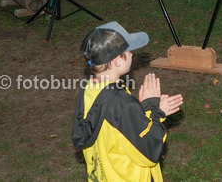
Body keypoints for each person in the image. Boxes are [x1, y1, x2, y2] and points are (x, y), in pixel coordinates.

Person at [72, 21, 183, 182]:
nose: (132, 55)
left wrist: (140, 111)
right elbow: (148, 151)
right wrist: (156, 111)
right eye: (129, 51)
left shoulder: (90, 89)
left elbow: (119, 131)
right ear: (117, 61)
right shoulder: (122, 104)